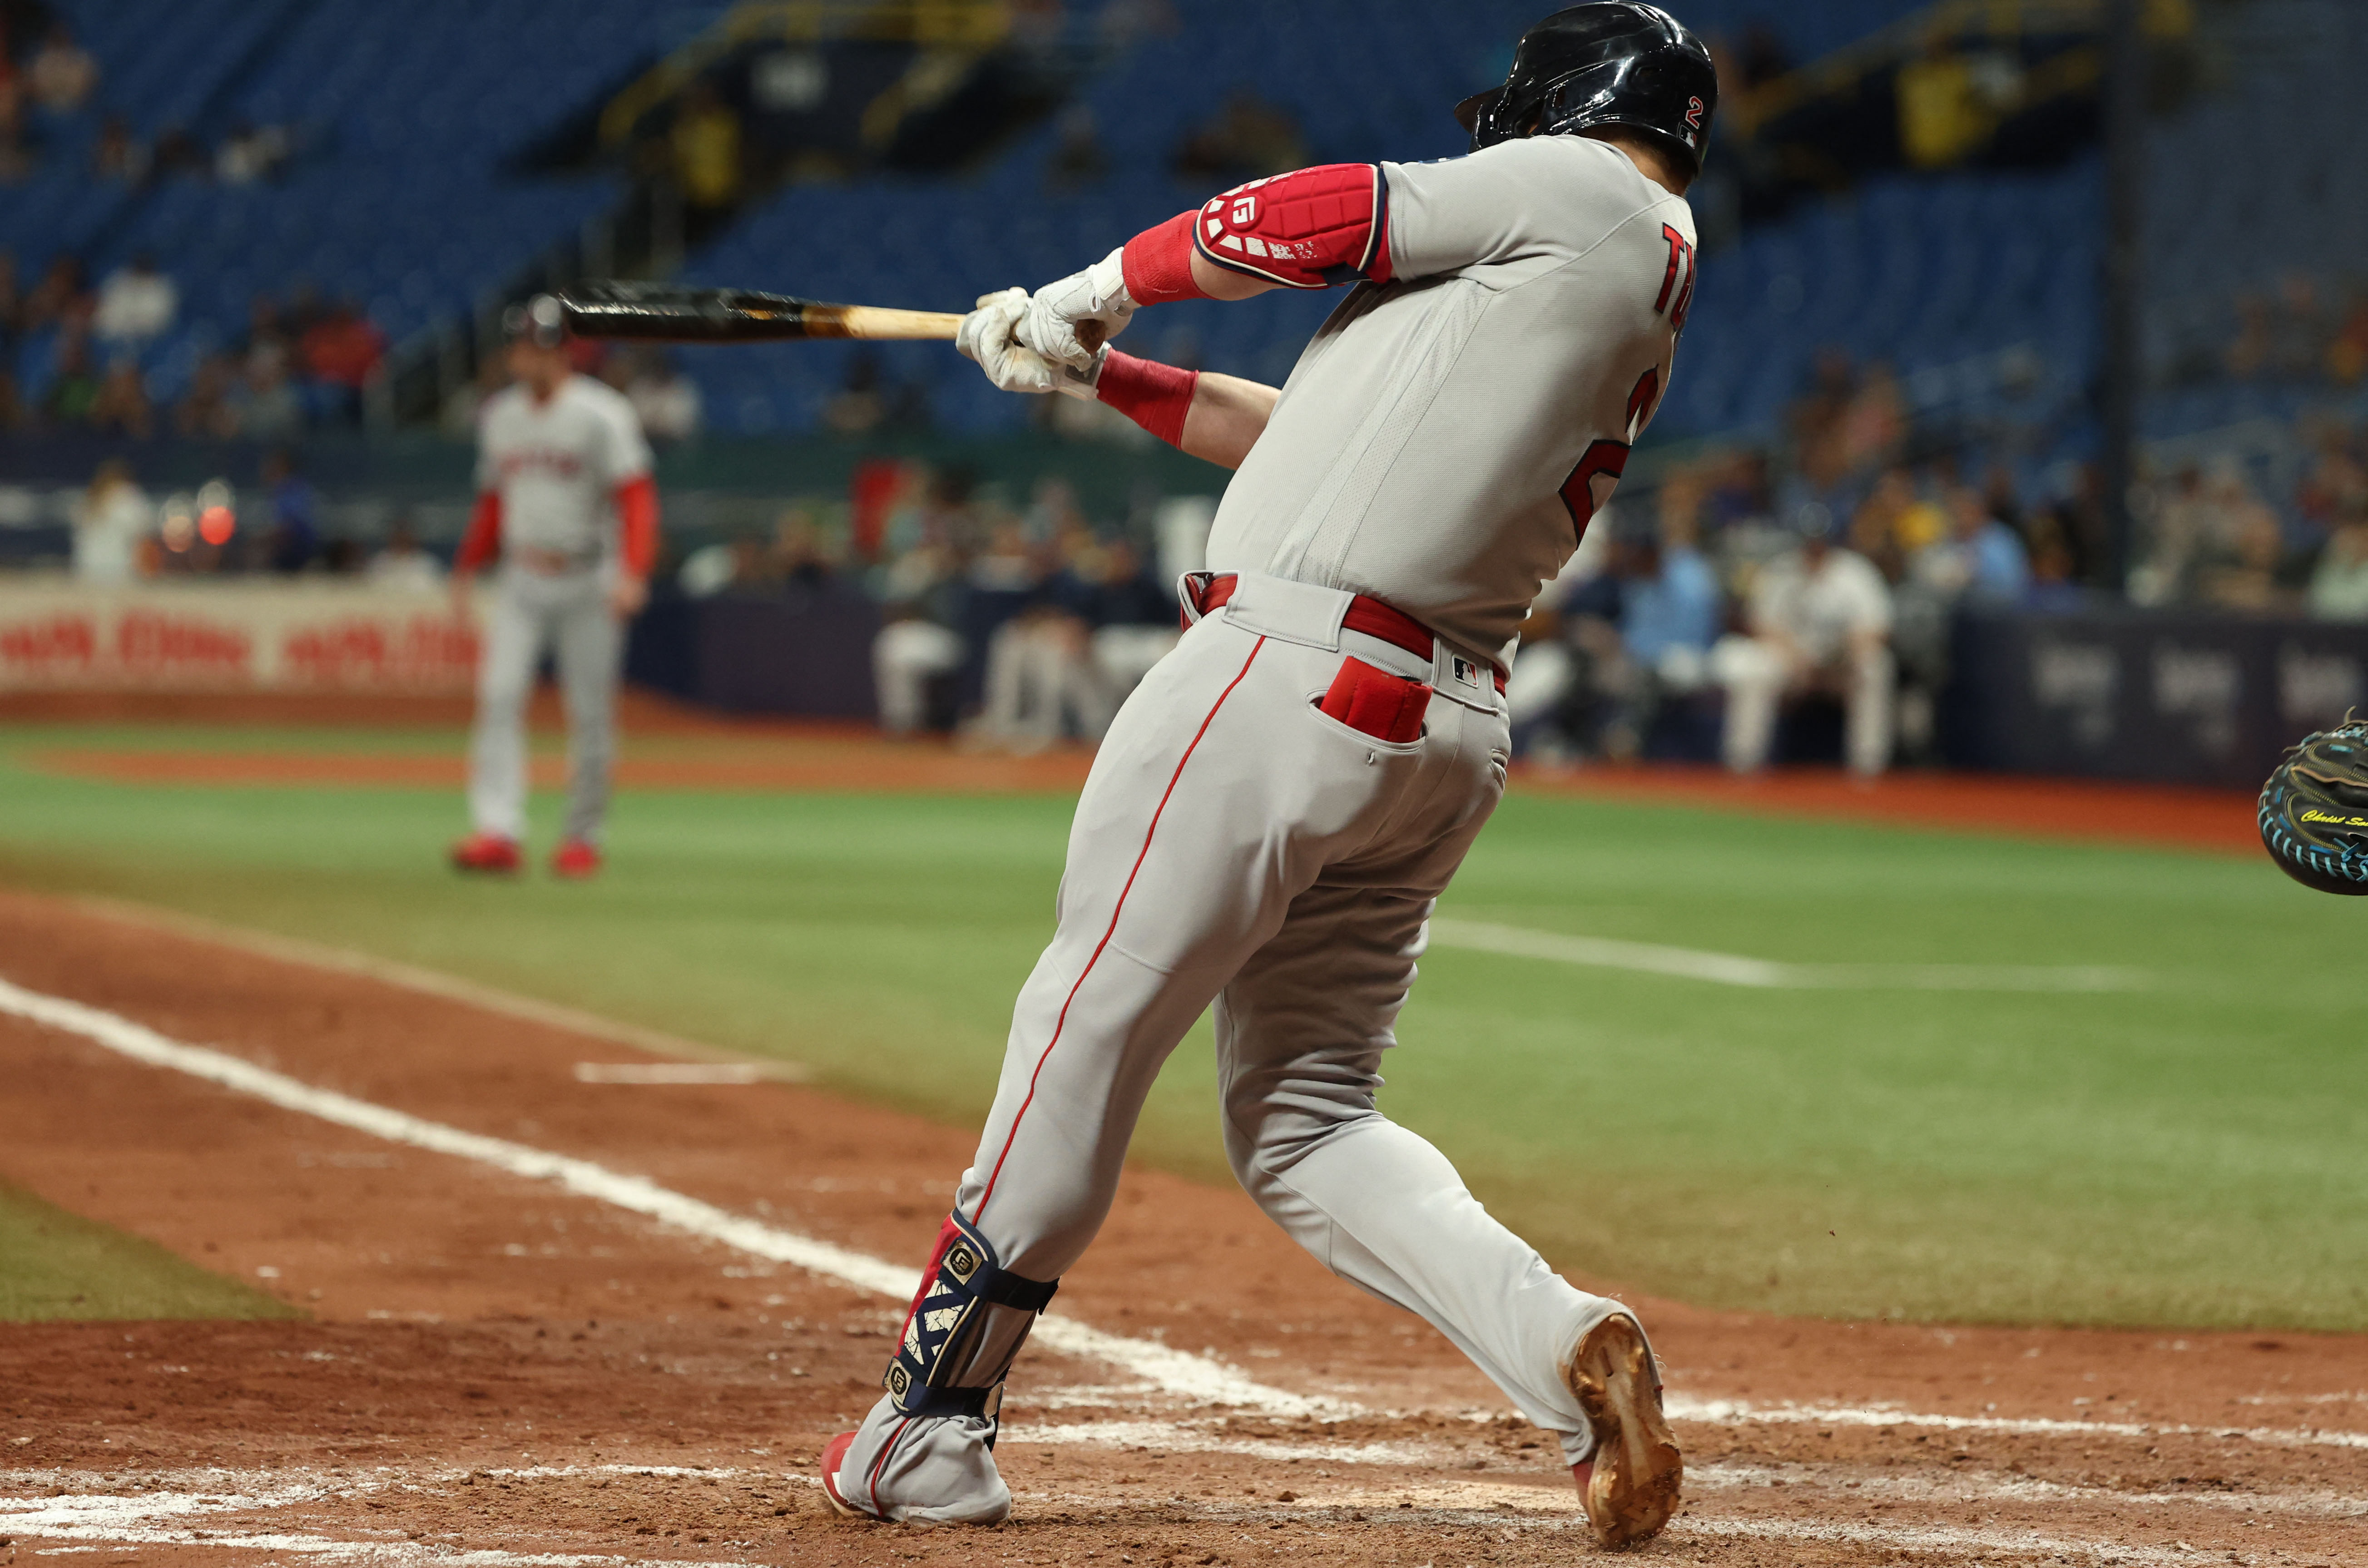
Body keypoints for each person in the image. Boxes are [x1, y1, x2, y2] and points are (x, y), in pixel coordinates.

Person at [820, 4, 1712, 1547]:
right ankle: (1568, 1348)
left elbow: (1327, 210)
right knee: (1305, 1122)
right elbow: (1308, 439)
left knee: (1084, 1025)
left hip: (1277, 685)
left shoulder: (1577, 185)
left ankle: (931, 1423)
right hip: (1431, 723)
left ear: (1568, 105)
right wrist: (1094, 365)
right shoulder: (1603, 263)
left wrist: (1093, 281)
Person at [447, 296, 660, 879]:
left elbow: (636, 498)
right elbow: (493, 501)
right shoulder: (501, 417)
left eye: (535, 346)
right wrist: (467, 567)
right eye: (518, 344)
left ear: (561, 352)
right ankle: (498, 831)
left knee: (590, 715)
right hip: (521, 576)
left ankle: (582, 837)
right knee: (498, 696)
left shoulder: (601, 415)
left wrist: (633, 572)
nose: (523, 356)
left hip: (588, 576)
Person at [1714, 503, 1895, 776]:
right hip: (1794, 663)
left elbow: (1876, 629)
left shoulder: (1854, 573)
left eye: (1820, 539)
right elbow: (1761, 624)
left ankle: (1868, 768)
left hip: (1839, 665)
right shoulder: (1782, 570)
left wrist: (1843, 657)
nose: (1814, 545)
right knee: (1756, 669)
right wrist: (1796, 657)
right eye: (1809, 539)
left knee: (1875, 666)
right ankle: (1742, 764)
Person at [71, 459, 150, 584]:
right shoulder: (127, 497)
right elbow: (142, 527)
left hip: (88, 563)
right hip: (118, 563)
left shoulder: (90, 497)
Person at [92, 254, 177, 345]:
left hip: (145, 340)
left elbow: (157, 325)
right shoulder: (120, 280)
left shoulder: (163, 290)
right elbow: (104, 307)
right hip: (111, 334)